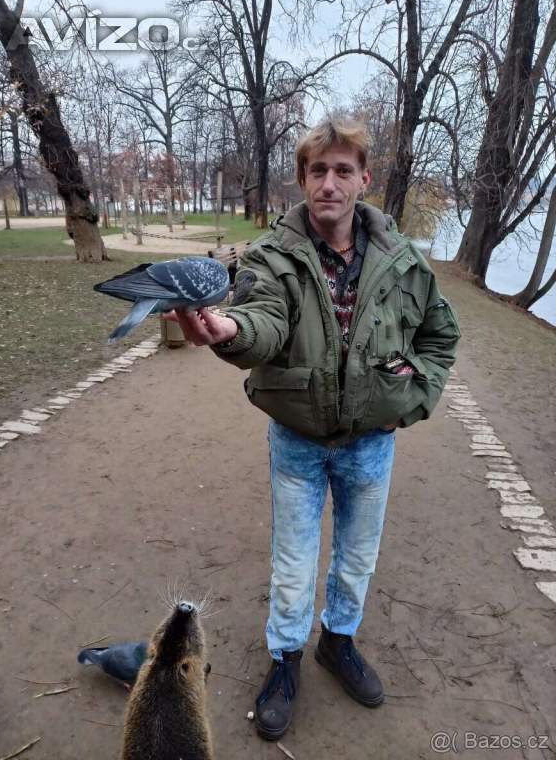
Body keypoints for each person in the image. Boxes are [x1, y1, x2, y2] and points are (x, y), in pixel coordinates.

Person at [162, 118, 460, 740]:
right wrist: (230, 331)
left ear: (363, 179)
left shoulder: (405, 261)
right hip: (297, 441)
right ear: (302, 179)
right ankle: (286, 659)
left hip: (372, 444)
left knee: (357, 559)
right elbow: (262, 319)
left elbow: (440, 336)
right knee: (293, 564)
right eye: (318, 170)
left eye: (342, 170)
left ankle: (338, 642)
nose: (329, 183)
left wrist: (412, 399)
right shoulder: (272, 255)